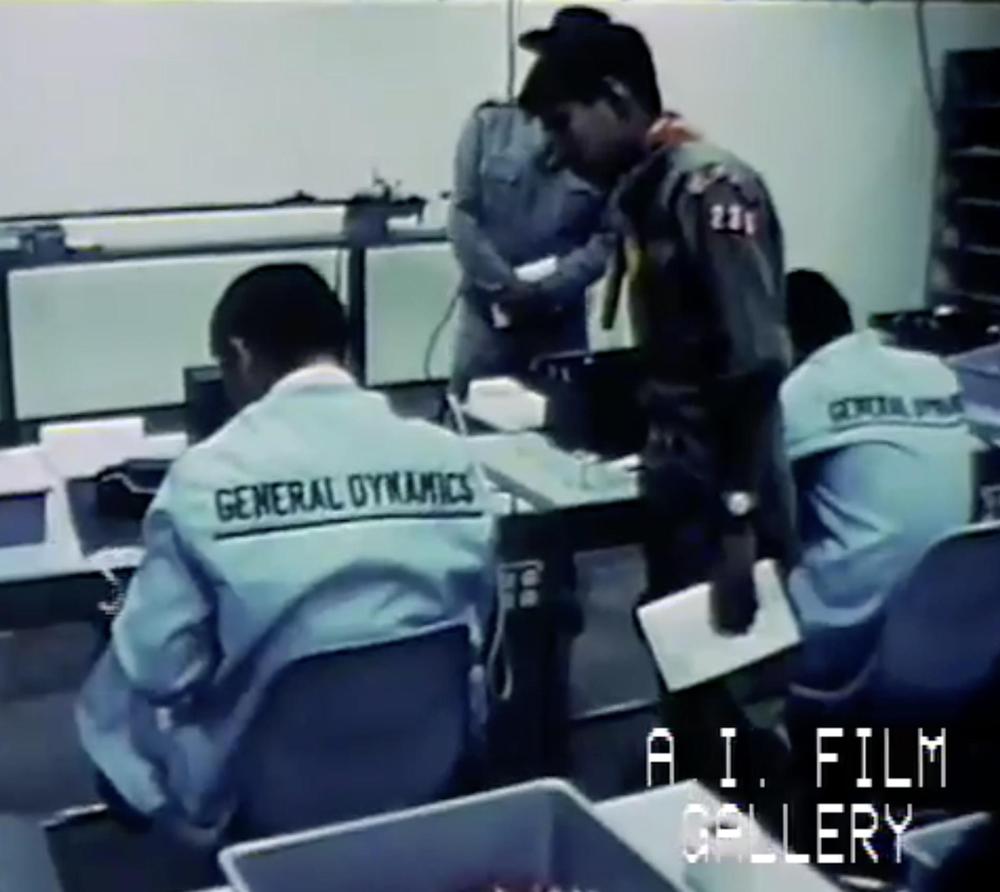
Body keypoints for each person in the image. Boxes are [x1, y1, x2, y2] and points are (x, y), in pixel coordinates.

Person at [76, 264, 496, 840]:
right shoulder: (450, 457)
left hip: (266, 789)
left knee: (114, 685)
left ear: (240, 354)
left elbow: (162, 671)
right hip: (423, 764)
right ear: (341, 349)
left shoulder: (206, 475)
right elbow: (483, 622)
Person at [517, 12, 796, 808]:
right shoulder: (649, 193)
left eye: (564, 124)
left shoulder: (708, 188)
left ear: (614, 98)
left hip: (727, 511)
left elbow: (755, 362)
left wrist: (739, 527)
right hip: (686, 495)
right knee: (695, 711)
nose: (559, 151)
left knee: (742, 723)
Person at [781, 269, 973, 691]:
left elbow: (756, 498)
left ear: (783, 337)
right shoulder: (937, 372)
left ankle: (714, 742)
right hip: (949, 633)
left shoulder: (804, 387)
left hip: (846, 642)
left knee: (707, 583)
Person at [447, 6, 615, 400]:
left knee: (564, 429)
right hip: (488, 318)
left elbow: (608, 237)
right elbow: (463, 216)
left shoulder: (604, 145)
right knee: (474, 421)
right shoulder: (490, 125)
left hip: (559, 323)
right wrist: (504, 286)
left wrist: (549, 292)